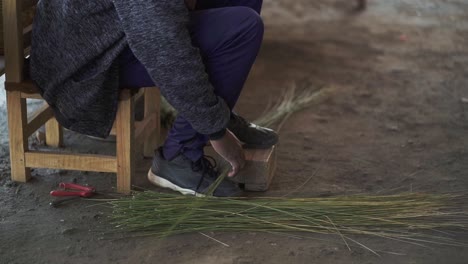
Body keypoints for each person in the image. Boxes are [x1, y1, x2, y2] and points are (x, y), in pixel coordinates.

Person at [30, 0, 278, 197]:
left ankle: (217, 107)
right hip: (86, 64)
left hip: (115, 30)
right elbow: (165, 49)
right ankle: (180, 154)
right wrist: (215, 130)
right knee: (243, 29)